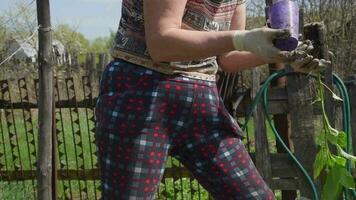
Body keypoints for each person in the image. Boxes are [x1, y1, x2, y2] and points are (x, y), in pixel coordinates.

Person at [94, 0, 328, 199]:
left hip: (202, 98)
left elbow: (227, 58)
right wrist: (243, 38)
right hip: (142, 95)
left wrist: (282, 56)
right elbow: (161, 42)